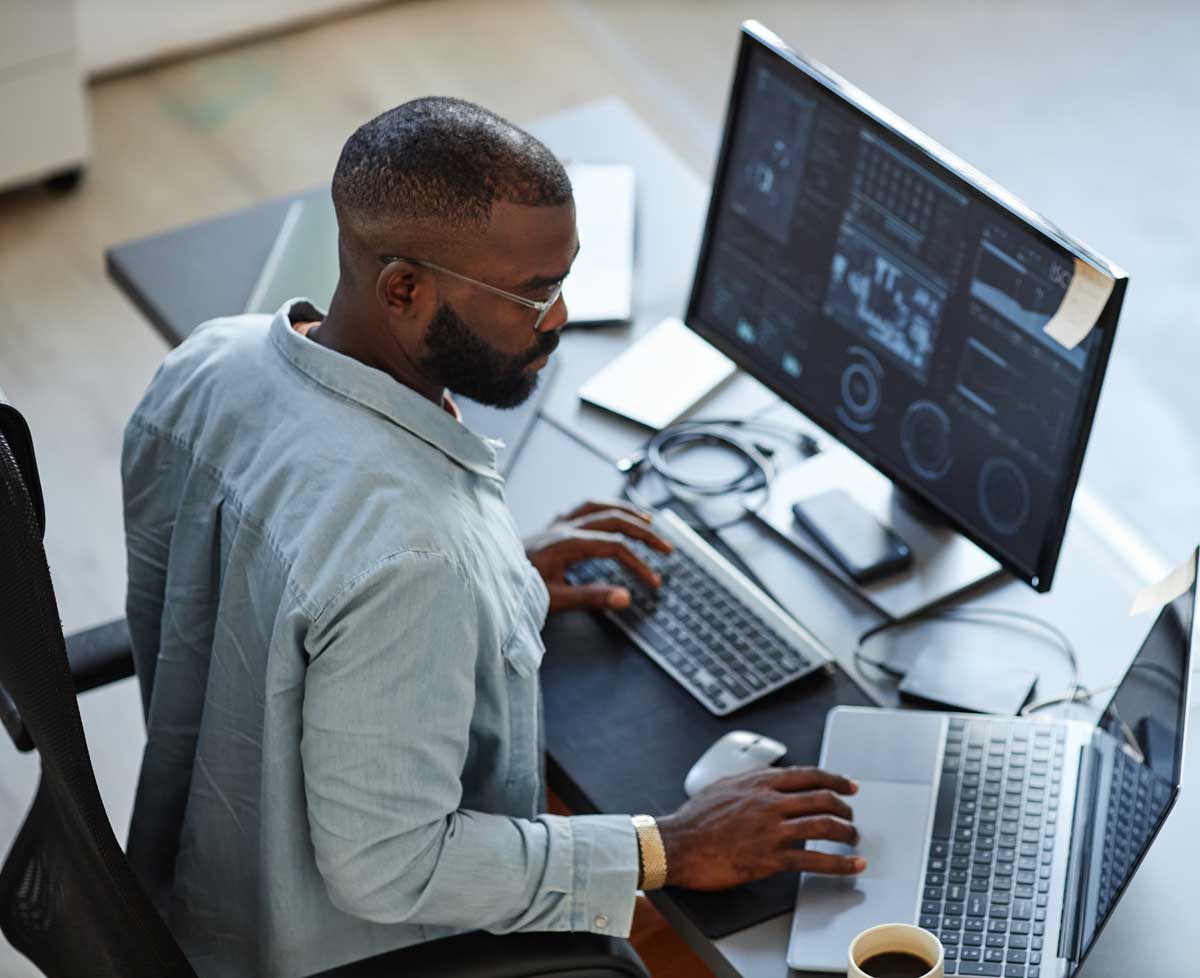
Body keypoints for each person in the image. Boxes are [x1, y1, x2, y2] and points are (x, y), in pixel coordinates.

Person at [121, 96, 865, 978]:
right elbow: (390, 866)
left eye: (566, 277)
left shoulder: (210, 362)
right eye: (533, 294)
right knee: (757, 944)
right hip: (329, 949)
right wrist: (666, 845)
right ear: (404, 289)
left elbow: (281, 586)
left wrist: (499, 583)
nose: (559, 317)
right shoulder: (415, 558)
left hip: (195, 877)